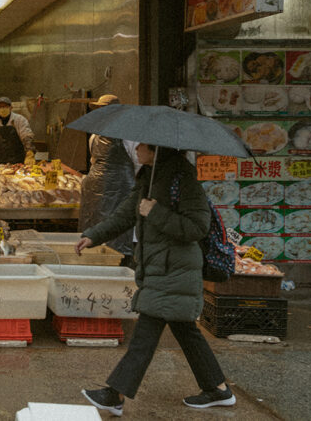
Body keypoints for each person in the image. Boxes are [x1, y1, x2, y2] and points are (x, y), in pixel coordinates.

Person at [76, 143, 236, 416]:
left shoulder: (183, 179)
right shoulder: (149, 177)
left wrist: (156, 212)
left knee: (145, 335)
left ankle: (115, 394)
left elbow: (197, 226)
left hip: (175, 270)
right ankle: (218, 389)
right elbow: (126, 213)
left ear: (158, 150)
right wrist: (93, 235)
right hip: (161, 267)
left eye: (143, 146)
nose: (136, 149)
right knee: (186, 332)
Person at [78, 94, 139, 267]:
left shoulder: (96, 135)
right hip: (113, 189)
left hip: (106, 189)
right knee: (113, 230)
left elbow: (94, 162)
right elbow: (138, 163)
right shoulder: (125, 134)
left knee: (110, 228)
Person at [0, 96, 36, 166]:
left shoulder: (19, 119)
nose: (2, 109)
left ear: (11, 107)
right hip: (1, 162)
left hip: (18, 162)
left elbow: (27, 138)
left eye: (5, 106)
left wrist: (30, 154)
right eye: (0, 107)